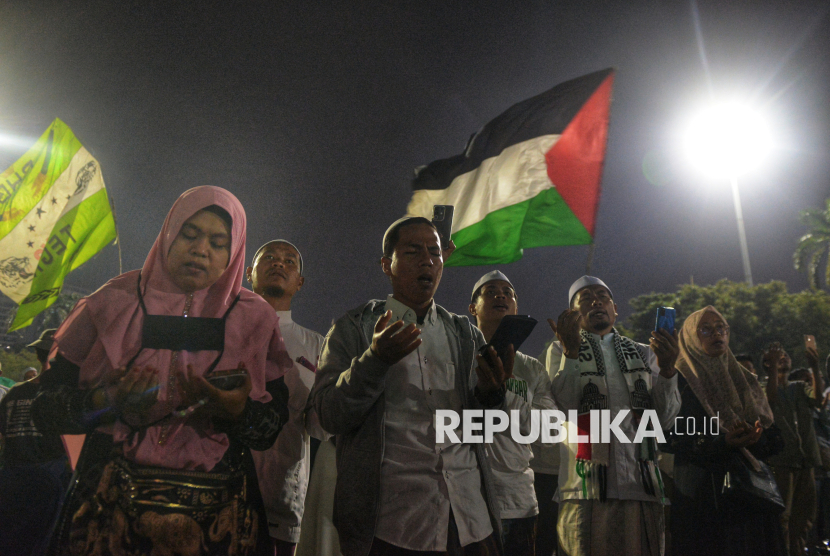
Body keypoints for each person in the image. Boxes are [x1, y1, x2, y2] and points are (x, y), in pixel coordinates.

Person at [31, 186, 293, 556]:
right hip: (108, 514)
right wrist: (107, 401)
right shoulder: (110, 303)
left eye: (218, 242)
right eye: (190, 234)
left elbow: (270, 425)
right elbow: (43, 410)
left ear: (234, 253)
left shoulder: (255, 320)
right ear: (168, 233)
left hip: (216, 523)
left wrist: (238, 412)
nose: (201, 249)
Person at [311, 216, 506, 556]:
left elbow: (484, 430)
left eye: (435, 251)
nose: (427, 260)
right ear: (387, 264)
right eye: (413, 251)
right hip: (391, 525)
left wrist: (491, 396)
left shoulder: (465, 334)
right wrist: (375, 360)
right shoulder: (353, 329)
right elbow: (328, 415)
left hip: (470, 521)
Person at [544, 276, 680, 556]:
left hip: (640, 485)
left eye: (602, 296)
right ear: (572, 314)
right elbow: (565, 407)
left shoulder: (644, 353)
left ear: (615, 309)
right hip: (585, 487)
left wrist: (667, 370)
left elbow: (664, 420)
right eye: (585, 298)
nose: (596, 301)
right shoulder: (560, 349)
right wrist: (571, 352)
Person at [665, 306, 783, 556]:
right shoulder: (677, 380)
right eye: (705, 330)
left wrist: (756, 436)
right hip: (704, 498)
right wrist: (721, 442)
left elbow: (775, 437)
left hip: (751, 498)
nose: (716, 334)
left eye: (721, 328)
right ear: (690, 337)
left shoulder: (744, 378)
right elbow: (666, 435)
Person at [247, 240, 327, 556]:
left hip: (280, 503)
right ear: (248, 273)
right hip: (218, 492)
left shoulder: (317, 346)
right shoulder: (223, 329)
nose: (279, 263)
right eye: (269, 257)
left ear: (300, 282)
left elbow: (322, 429)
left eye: (289, 261)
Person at [468, 270, 556, 556]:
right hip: (465, 498)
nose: (501, 295)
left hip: (518, 500)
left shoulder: (532, 369)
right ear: (473, 308)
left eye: (509, 292)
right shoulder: (456, 357)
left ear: (516, 306)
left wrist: (504, 392)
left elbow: (547, 430)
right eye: (490, 290)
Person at [0, 333, 71, 556]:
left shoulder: (14, 393)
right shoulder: (66, 395)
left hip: (11, 477)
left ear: (38, 355)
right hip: (49, 482)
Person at [764, 341, 824, 556]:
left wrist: (815, 368)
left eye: (785, 355)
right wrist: (772, 370)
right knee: (783, 517)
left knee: (804, 518)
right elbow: (769, 401)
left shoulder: (799, 387)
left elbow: (818, 400)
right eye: (777, 356)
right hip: (782, 461)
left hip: (806, 460)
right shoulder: (763, 386)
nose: (783, 358)